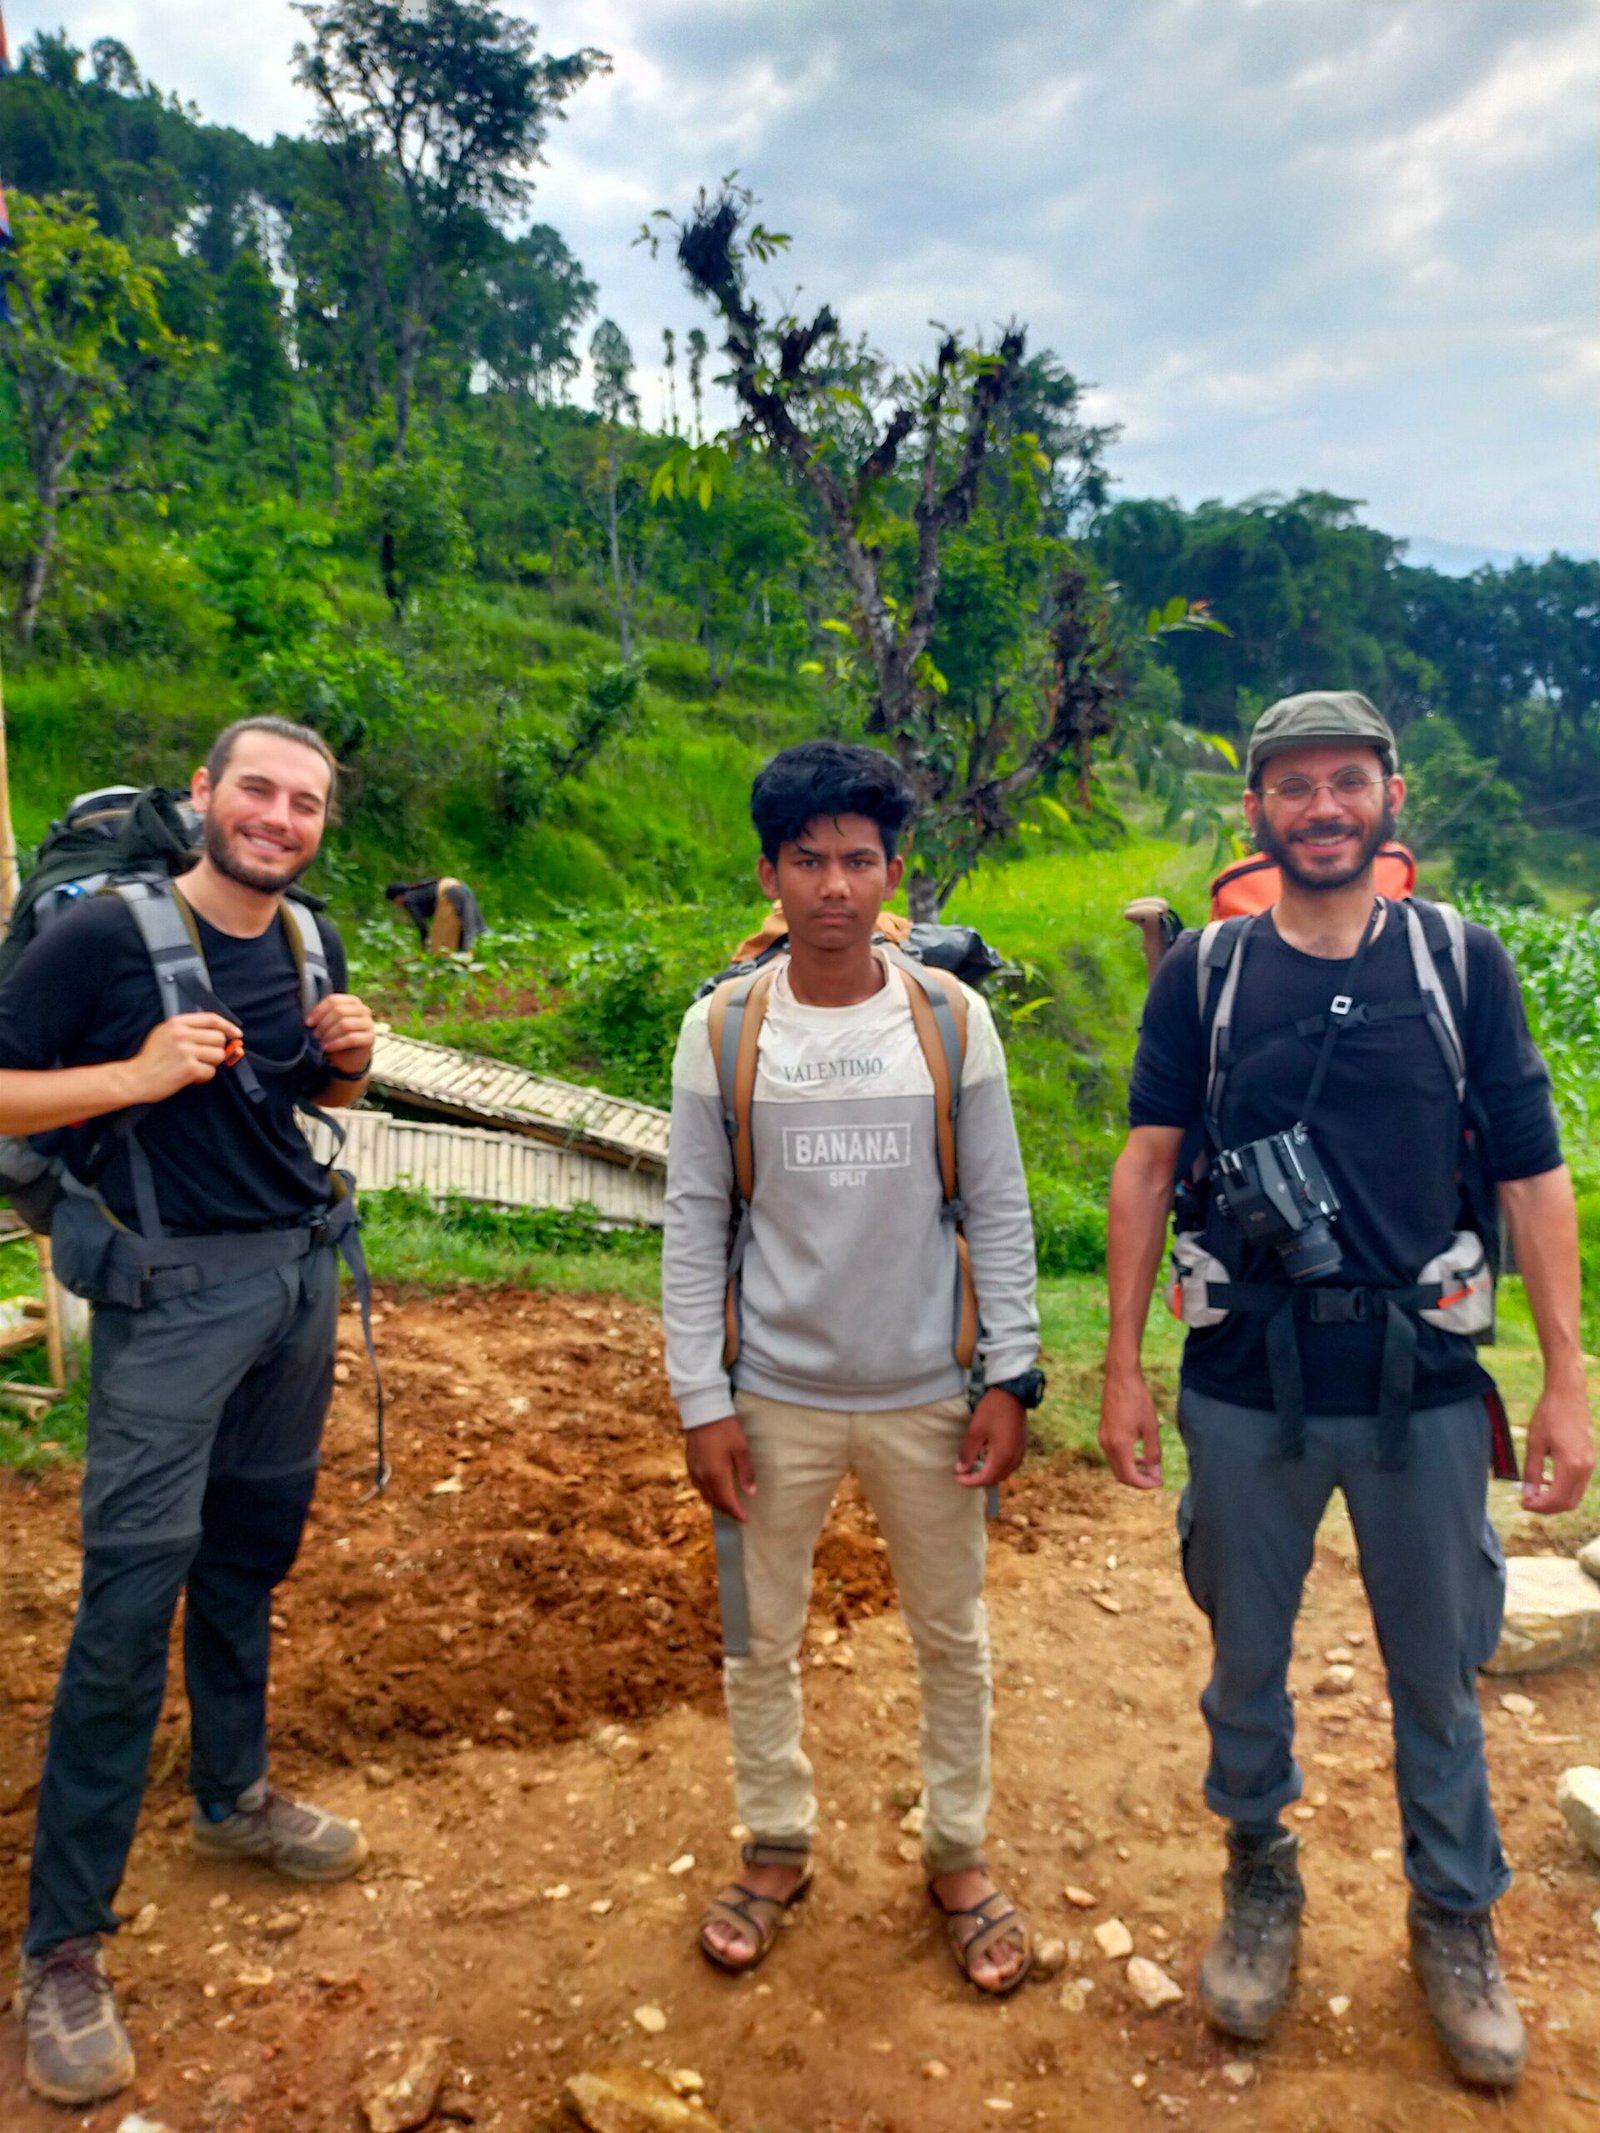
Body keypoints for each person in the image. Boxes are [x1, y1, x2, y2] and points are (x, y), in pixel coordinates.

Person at [1100, 691, 1593, 2090]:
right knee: (1245, 1657)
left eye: (1347, 782)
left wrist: (1566, 1377)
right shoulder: (1203, 975)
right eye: (1294, 786)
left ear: (1390, 796)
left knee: (1437, 1669)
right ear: (1256, 807)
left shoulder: (1458, 963)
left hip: (1423, 1381)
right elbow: (1146, 1165)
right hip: (1247, 1373)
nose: (1323, 807)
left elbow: (1529, 1169)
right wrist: (1122, 1364)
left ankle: (1456, 1917)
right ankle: (1260, 1873)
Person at [0, 716, 378, 2108]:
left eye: (308, 802)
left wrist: (344, 1057)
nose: (281, 818)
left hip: (291, 1287)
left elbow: (293, 1098)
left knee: (246, 1560)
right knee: (123, 1607)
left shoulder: (310, 939)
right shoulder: (102, 941)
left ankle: (232, 1797)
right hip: (168, 1306)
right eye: (259, 791)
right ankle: (62, 1947)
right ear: (205, 797)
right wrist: (132, 1074)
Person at [662, 739, 1044, 1995]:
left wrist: (1011, 1374)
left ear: (895, 873)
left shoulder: (948, 1018)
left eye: (860, 861)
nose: (836, 887)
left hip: (930, 1395)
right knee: (758, 1638)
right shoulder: (722, 1029)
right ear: (769, 872)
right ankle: (774, 1842)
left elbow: (996, 1205)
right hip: (773, 1395)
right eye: (809, 861)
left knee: (952, 1632)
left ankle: (957, 1851)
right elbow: (696, 1221)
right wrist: (702, 1400)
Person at [384, 874, 486, 957]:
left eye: (394, 901)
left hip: (449, 894)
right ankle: (473, 956)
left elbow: (421, 925)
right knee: (468, 928)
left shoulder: (409, 899)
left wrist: (424, 944)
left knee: (443, 942)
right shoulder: (418, 891)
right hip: (459, 886)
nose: (396, 905)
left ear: (398, 897)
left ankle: (462, 960)